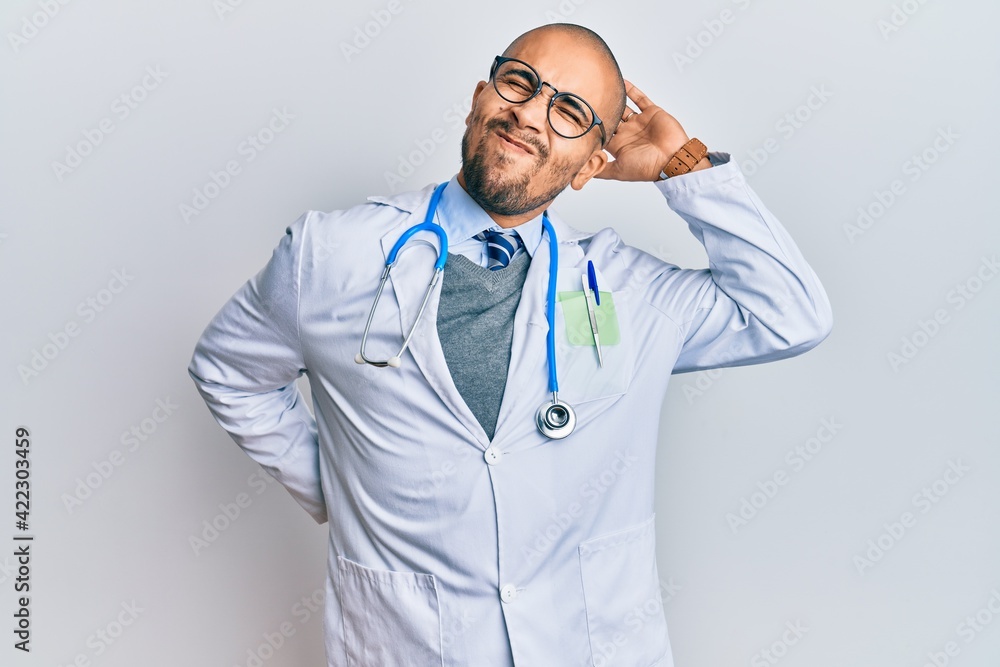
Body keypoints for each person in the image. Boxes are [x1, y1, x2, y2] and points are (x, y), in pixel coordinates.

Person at [187, 22, 833, 667]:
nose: (529, 114)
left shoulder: (628, 291)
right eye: (519, 82)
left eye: (571, 111)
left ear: (593, 165)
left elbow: (791, 312)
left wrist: (681, 168)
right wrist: (336, 485)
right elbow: (228, 370)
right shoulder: (332, 257)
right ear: (479, 97)